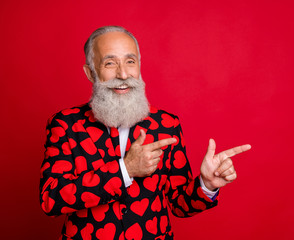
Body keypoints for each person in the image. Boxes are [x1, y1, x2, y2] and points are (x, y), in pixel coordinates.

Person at [40, 26, 251, 240]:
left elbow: (180, 206)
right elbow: (51, 199)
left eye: (130, 61)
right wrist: (126, 169)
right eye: (110, 63)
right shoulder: (66, 125)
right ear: (90, 72)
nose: (123, 74)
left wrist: (207, 184)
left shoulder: (166, 125)